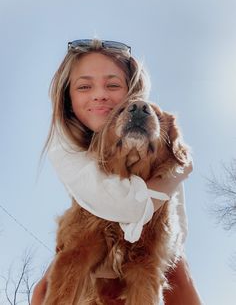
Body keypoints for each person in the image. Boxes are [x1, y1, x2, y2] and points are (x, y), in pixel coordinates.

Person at [31, 39, 202, 304]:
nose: (99, 94)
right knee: (43, 291)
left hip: (153, 242)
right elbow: (125, 207)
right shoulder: (65, 146)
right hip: (99, 218)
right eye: (84, 86)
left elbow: (178, 231)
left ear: (130, 90)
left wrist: (175, 168)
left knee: (178, 275)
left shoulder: (165, 150)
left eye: (113, 85)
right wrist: (178, 174)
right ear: (68, 99)